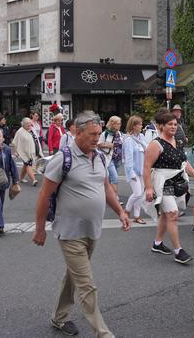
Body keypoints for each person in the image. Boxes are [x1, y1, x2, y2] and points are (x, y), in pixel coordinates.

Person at [32, 111, 130, 338]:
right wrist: (39, 229)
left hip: (92, 230)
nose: (97, 138)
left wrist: (121, 212)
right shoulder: (62, 158)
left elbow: (106, 188)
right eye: (92, 134)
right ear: (77, 132)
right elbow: (44, 195)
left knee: (74, 276)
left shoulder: (101, 157)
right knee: (87, 285)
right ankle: (103, 333)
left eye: (99, 133)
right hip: (70, 232)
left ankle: (58, 318)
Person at [144, 110, 194, 265]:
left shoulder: (179, 142)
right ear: (161, 126)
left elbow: (185, 163)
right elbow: (146, 167)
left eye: (175, 124)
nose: (173, 127)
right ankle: (178, 251)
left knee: (166, 215)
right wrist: (149, 188)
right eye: (169, 124)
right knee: (172, 214)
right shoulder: (155, 144)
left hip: (176, 183)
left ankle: (157, 244)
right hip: (161, 183)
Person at [123, 115, 147, 224]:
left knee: (141, 195)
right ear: (133, 126)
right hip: (133, 171)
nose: (142, 126)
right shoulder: (128, 140)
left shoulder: (141, 137)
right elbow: (128, 159)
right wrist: (131, 173)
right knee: (137, 193)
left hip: (142, 170)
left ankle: (137, 216)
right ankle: (127, 211)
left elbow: (147, 150)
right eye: (140, 124)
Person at [99, 116, 123, 197]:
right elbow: (98, 144)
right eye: (118, 124)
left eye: (120, 124)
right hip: (109, 159)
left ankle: (107, 195)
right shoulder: (105, 134)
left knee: (110, 179)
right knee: (114, 178)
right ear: (113, 124)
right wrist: (108, 145)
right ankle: (115, 197)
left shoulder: (119, 133)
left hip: (118, 159)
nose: (120, 125)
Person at [13, 118, 39, 186]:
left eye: (30, 123)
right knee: (28, 164)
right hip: (23, 152)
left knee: (25, 165)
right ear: (23, 124)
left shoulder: (31, 130)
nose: (29, 125)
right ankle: (34, 180)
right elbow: (15, 142)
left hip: (31, 151)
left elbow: (36, 139)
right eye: (27, 124)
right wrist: (16, 151)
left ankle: (21, 178)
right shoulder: (20, 131)